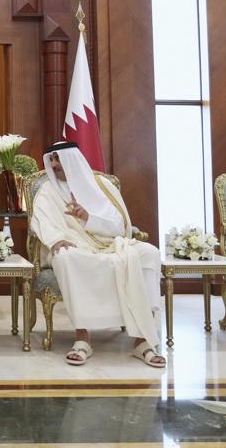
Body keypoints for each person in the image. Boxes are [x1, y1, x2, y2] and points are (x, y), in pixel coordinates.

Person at [30, 141, 165, 367]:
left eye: (58, 159)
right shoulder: (48, 191)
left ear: (72, 159)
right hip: (76, 247)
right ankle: (82, 339)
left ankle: (143, 342)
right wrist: (55, 239)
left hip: (111, 244)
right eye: (51, 160)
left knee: (149, 253)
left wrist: (87, 218)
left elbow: (119, 226)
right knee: (64, 257)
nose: (53, 165)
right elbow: (41, 221)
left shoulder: (102, 186)